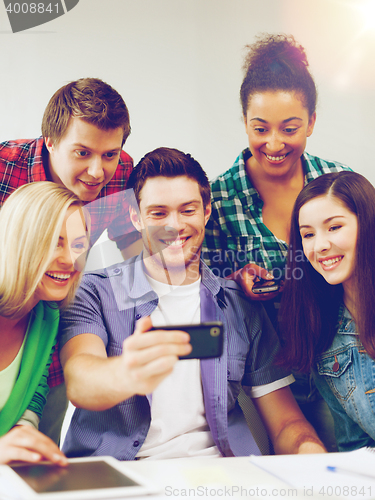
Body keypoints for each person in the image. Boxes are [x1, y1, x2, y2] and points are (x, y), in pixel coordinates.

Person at [59, 147, 325, 460]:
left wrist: (312, 454)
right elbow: (80, 381)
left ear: (206, 211)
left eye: (188, 210)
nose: (175, 225)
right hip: (123, 475)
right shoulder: (92, 292)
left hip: (221, 476)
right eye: (158, 213)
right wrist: (127, 372)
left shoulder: (240, 305)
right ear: (135, 216)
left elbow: (285, 423)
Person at [202, 33, 351, 450]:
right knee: (277, 475)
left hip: (338, 360)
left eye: (290, 128)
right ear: (244, 121)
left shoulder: (337, 183)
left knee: (345, 470)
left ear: (312, 122)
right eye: (260, 128)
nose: (274, 144)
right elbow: (204, 292)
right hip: (265, 376)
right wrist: (237, 280)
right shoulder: (219, 198)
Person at [0, 77, 137, 443]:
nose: (97, 172)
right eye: (82, 153)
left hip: (45, 341)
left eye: (109, 153)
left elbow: (137, 258)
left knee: (31, 449)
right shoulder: (4, 167)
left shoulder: (122, 172)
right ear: (50, 140)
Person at [278, 171, 375, 452]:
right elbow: (356, 447)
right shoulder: (323, 335)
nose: (319, 246)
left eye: (334, 227)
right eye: (308, 234)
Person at [0, 182, 88, 464]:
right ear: (18, 241)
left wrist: (24, 437)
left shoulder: (47, 315)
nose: (70, 260)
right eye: (54, 243)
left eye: (78, 245)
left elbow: (33, 395)